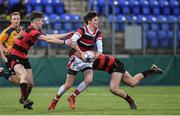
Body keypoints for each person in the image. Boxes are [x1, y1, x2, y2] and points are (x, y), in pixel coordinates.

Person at [5, 10, 73, 110]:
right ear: (36, 22)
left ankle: (22, 98)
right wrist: (65, 42)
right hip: (14, 56)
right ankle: (25, 101)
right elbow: (48, 40)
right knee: (23, 76)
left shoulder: (35, 31)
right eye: (42, 21)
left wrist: (66, 34)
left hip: (23, 57)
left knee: (31, 83)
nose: (43, 22)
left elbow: (49, 36)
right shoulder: (31, 30)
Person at [48, 53, 163, 110]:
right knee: (132, 82)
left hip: (115, 65)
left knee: (113, 88)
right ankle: (152, 70)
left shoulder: (87, 55)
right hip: (111, 66)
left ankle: (131, 101)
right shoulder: (75, 61)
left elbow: (92, 58)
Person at [48, 11, 103, 110]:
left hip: (87, 59)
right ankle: (55, 100)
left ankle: (73, 97)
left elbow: (100, 49)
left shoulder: (98, 33)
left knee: (89, 80)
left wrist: (95, 55)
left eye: (97, 20)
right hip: (77, 58)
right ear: (89, 21)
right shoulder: (82, 30)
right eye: (95, 20)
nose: (97, 21)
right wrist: (81, 53)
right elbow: (72, 41)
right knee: (68, 85)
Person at [0, 12, 23, 84]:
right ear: (11, 20)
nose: (16, 20)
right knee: (20, 78)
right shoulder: (7, 31)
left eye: (18, 19)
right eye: (14, 19)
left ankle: (2, 72)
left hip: (18, 55)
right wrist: (3, 55)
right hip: (9, 56)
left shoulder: (20, 29)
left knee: (16, 80)